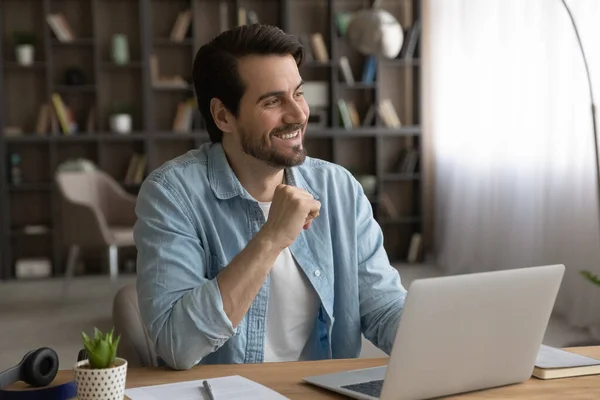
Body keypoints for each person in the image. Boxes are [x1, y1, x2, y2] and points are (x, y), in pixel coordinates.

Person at [134, 24, 407, 370]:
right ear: (223, 116)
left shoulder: (339, 188)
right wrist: (271, 237)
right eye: (273, 101)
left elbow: (382, 307)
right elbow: (177, 345)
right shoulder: (172, 195)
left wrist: (451, 340)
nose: (298, 114)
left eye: (299, 93)